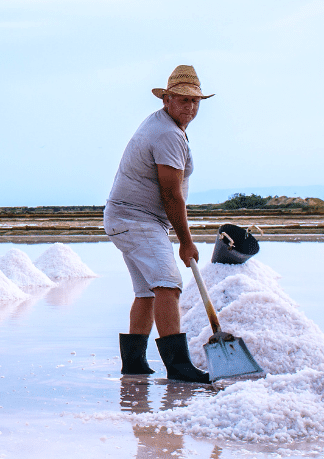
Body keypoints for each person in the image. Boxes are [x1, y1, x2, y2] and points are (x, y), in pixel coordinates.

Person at [104, 65, 213, 383]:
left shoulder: (163, 124)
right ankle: (179, 367)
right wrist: (185, 240)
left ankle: (134, 364)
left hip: (126, 218)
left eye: (196, 102)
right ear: (167, 99)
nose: (190, 108)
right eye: (183, 100)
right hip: (136, 220)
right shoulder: (167, 135)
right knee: (168, 284)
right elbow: (171, 195)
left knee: (147, 292)